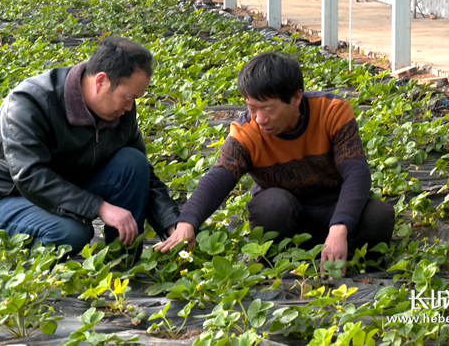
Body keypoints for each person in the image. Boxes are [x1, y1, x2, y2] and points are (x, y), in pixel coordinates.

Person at [156, 52, 394, 277]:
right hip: (285, 217)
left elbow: (356, 174)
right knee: (272, 204)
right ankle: (282, 262)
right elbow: (219, 177)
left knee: (378, 216)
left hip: (333, 207)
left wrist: (340, 227)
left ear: (296, 98)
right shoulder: (246, 132)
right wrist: (187, 221)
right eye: (252, 109)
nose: (260, 119)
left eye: (268, 109)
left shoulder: (332, 112)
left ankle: (338, 255)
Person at [0, 36, 180, 256]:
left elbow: (144, 176)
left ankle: (123, 262)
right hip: (1, 200)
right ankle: (14, 257)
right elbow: (30, 176)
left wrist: (171, 224)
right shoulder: (29, 101)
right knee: (72, 233)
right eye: (128, 97)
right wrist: (99, 207)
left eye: (135, 99)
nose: (130, 106)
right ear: (101, 81)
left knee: (132, 163)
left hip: (63, 187)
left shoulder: (121, 111)